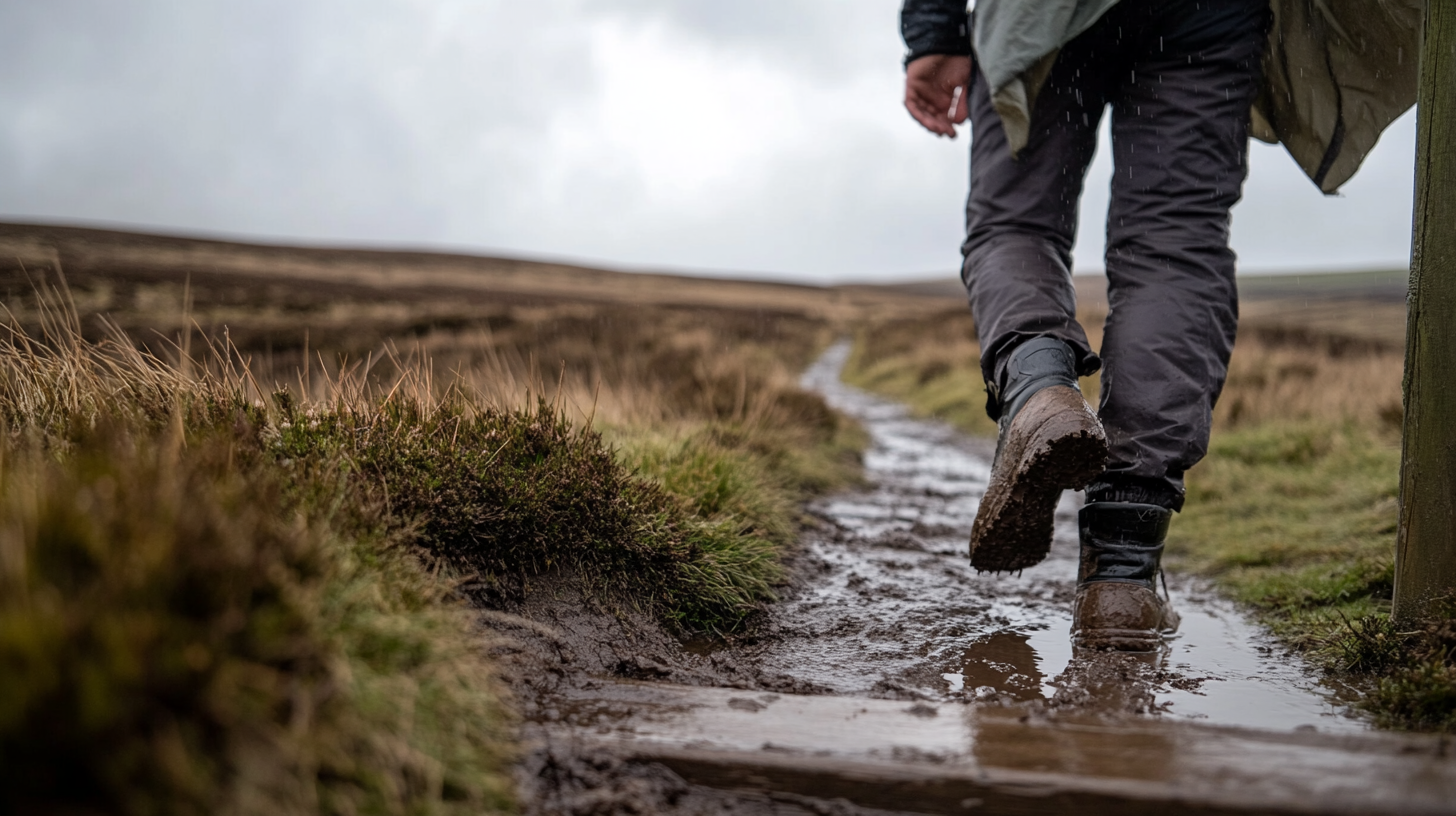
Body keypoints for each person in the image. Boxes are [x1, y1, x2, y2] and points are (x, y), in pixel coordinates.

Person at [900, 0, 1421, 651]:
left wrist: (932, 31)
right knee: (1174, 246)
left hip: (1038, 13)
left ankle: (1037, 391)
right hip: (1206, 16)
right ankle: (1121, 574)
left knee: (1018, 224)